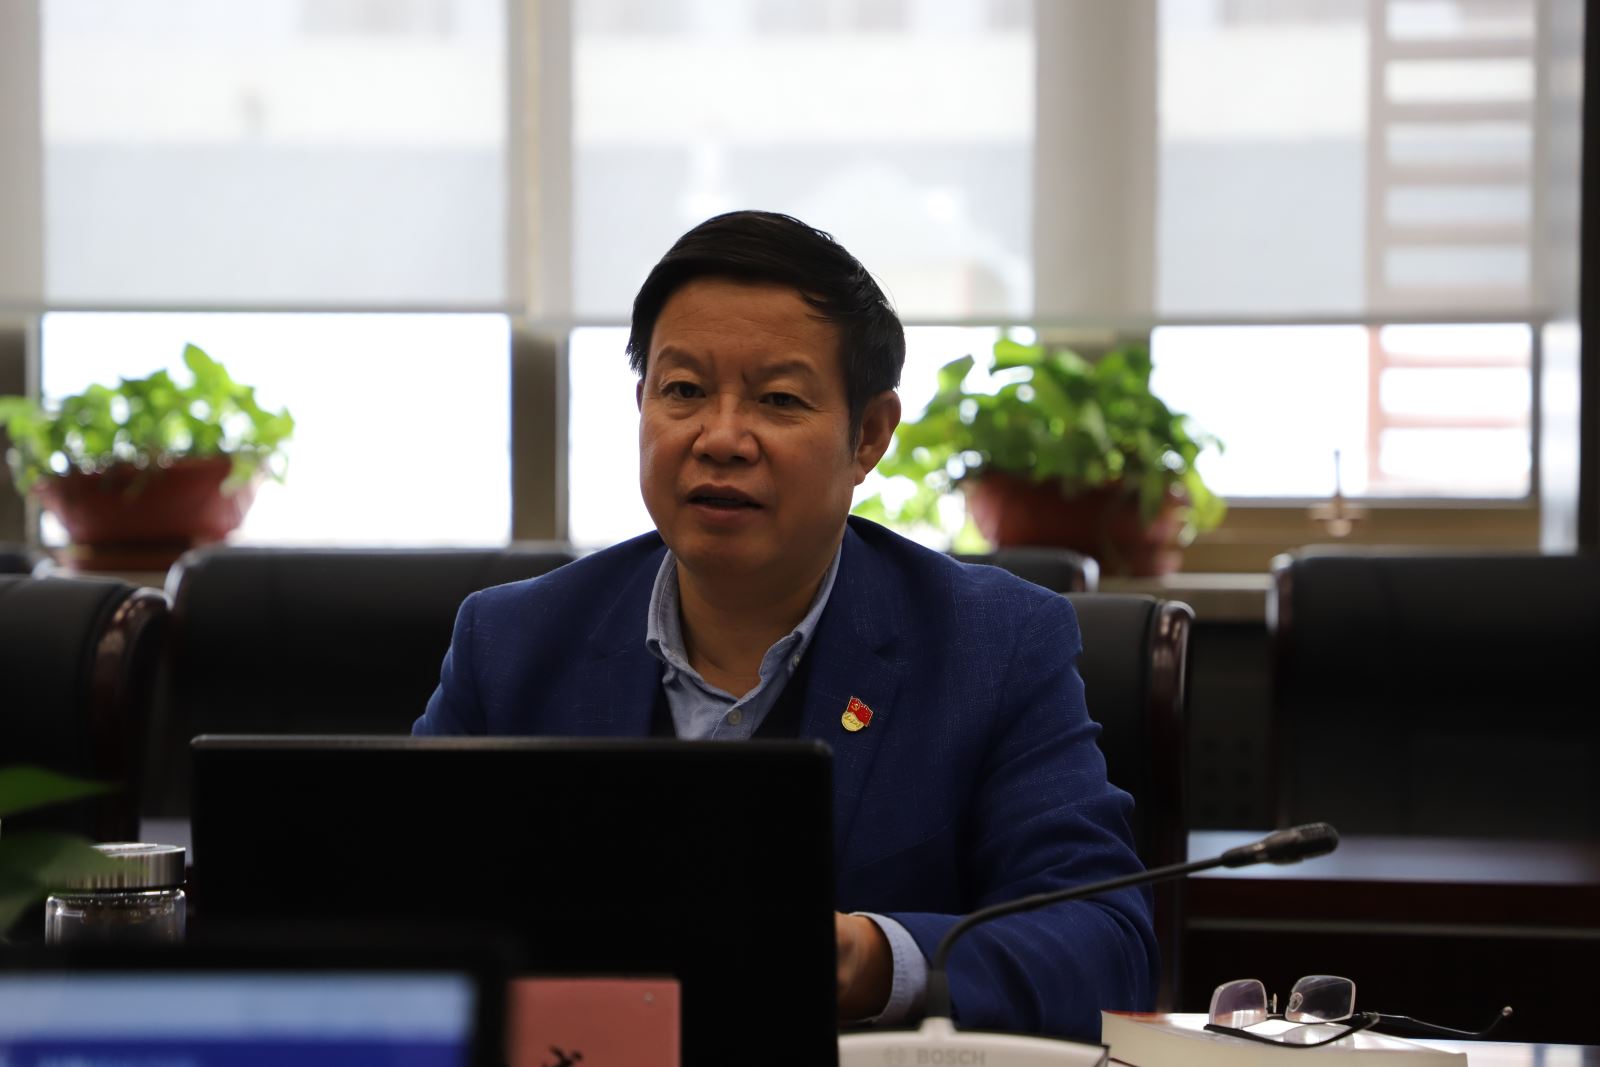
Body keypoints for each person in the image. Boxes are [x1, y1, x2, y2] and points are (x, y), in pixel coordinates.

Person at [414, 210, 1157, 1040]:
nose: (722, 438)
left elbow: (1106, 948)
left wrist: (876, 959)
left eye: (778, 399)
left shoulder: (995, 643)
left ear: (868, 435)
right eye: (684, 390)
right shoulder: (511, 642)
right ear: (642, 404)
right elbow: (389, 910)